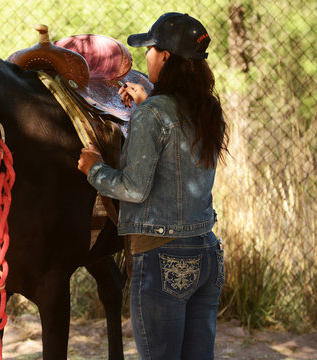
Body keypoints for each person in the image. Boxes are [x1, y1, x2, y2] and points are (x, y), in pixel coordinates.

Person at [77, 12, 229, 360]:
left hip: (162, 257)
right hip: (207, 252)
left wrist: (93, 168)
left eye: (150, 48)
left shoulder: (154, 115)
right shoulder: (209, 109)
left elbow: (133, 189)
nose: (145, 56)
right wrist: (148, 102)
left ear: (165, 57)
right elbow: (179, 141)